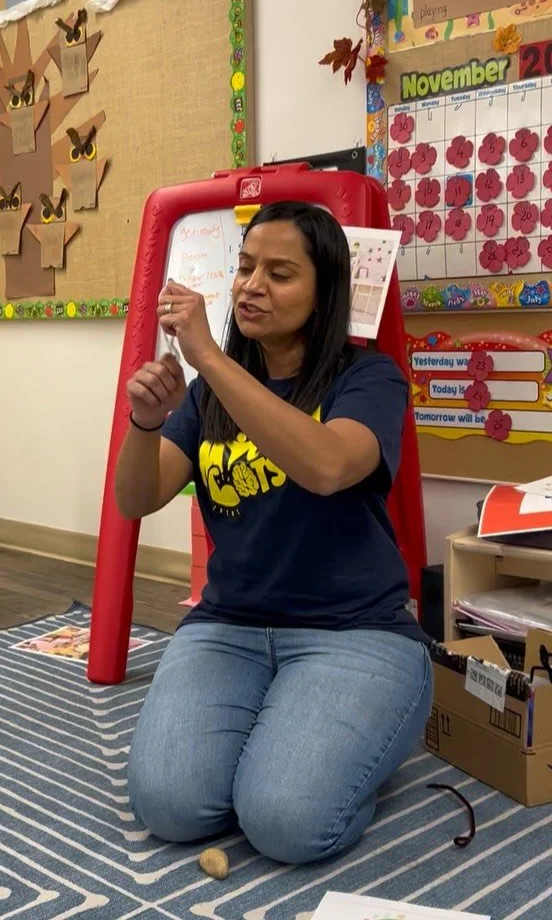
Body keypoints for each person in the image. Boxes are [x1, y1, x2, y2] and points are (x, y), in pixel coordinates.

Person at [115, 201, 432, 865]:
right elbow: (135, 498)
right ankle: (287, 723)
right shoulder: (207, 396)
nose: (252, 285)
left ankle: (348, 737)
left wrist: (205, 353)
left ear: (324, 296)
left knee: (287, 824)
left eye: (281, 274)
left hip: (354, 633)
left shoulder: (369, 378)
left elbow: (323, 466)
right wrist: (145, 424)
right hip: (228, 627)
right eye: (247, 267)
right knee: (171, 808)